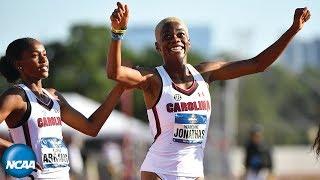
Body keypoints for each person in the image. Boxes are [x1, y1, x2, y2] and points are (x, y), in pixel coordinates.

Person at [107, 2, 311, 180]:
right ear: (157, 46)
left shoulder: (205, 74)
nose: (175, 39)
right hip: (159, 172)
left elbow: (258, 64)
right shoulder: (153, 78)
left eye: (180, 35)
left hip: (195, 172)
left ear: (189, 42)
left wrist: (293, 29)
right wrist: (118, 33)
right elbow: (115, 72)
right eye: (167, 37)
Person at [0, 37, 126, 179]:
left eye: (45, 54)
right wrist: (11, 149)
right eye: (35, 56)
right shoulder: (16, 97)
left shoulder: (54, 96)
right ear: (19, 65)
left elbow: (91, 128)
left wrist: (120, 88)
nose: (43, 60)